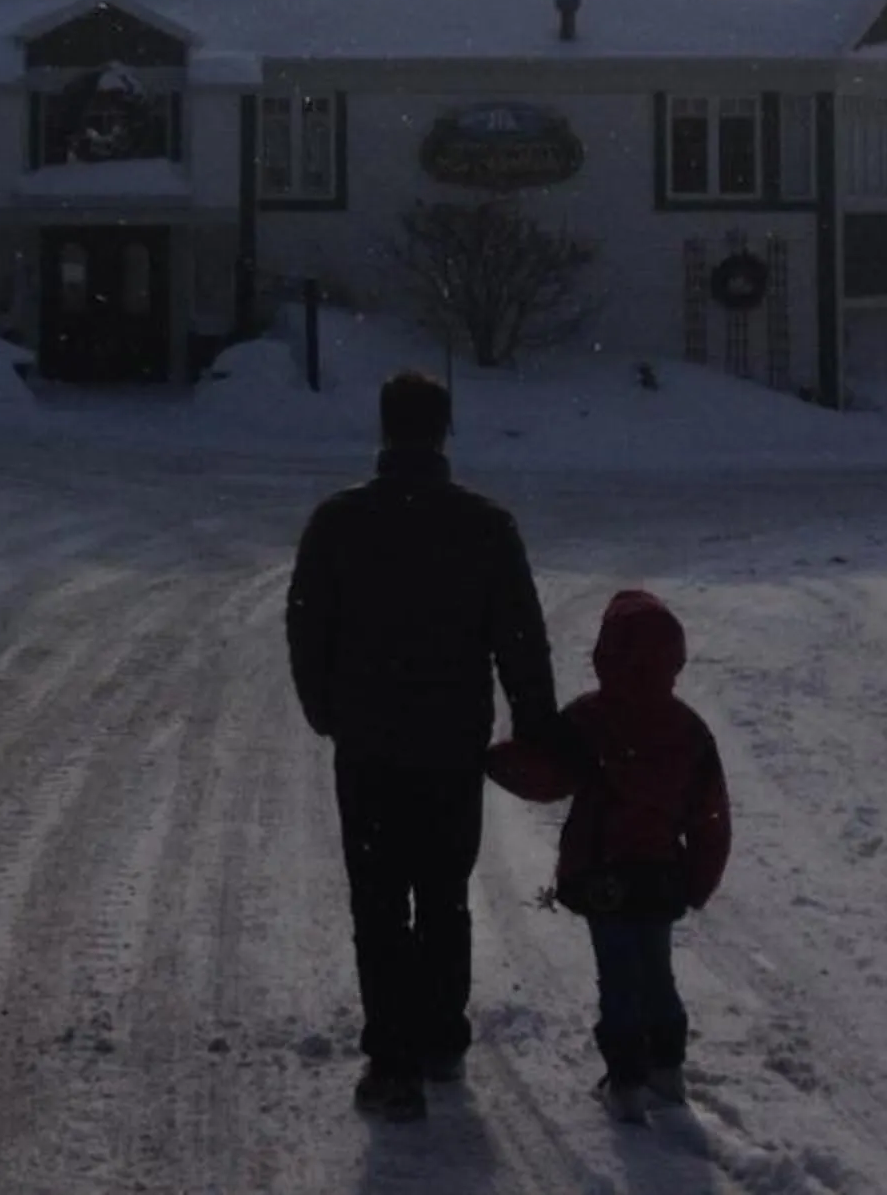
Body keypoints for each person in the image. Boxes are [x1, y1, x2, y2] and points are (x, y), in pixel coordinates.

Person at [287, 368, 563, 1125]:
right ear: (444, 432)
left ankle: (392, 1058)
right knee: (443, 896)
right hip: (450, 744)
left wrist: (326, 708)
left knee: (378, 902)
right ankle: (440, 1035)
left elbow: (307, 624)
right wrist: (536, 726)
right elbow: (519, 636)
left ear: (383, 430)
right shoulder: (484, 525)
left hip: (370, 744)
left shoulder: (339, 522)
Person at [486, 588, 732, 1123]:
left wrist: (499, 760)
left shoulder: (589, 720)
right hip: (662, 876)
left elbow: (547, 777)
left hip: (605, 876)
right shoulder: (689, 730)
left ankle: (625, 1082)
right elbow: (710, 815)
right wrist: (699, 880)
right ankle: (667, 1068)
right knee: (657, 973)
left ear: (604, 654)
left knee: (618, 977)